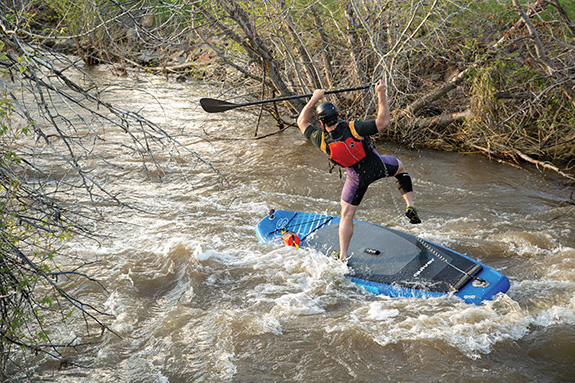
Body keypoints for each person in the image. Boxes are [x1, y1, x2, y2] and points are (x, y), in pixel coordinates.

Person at [296, 79, 421, 261]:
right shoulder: (354, 128)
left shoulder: (321, 140)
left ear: (322, 123)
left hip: (356, 178)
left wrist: (315, 98)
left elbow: (302, 121)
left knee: (346, 215)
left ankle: (344, 256)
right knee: (400, 168)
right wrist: (381, 94)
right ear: (337, 117)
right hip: (378, 166)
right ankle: (410, 205)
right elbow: (383, 122)